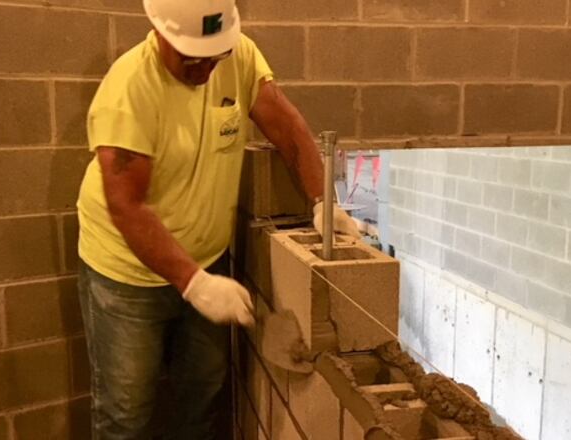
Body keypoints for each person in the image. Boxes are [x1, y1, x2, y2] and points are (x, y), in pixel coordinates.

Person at [75, 0, 360, 438]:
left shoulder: (238, 55)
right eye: (193, 59)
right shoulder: (128, 90)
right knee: (126, 414)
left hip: (207, 261)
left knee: (202, 398)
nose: (207, 69)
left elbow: (287, 128)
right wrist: (194, 284)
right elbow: (127, 206)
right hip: (127, 278)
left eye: (216, 56)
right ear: (161, 33)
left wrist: (324, 200)